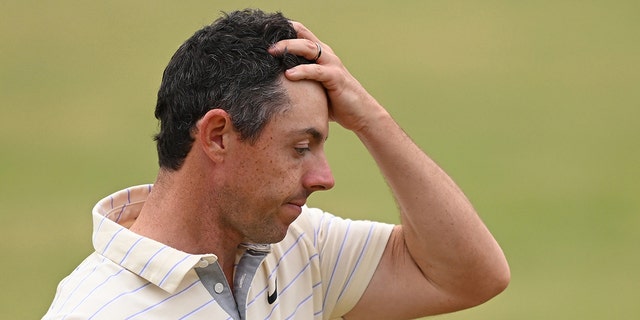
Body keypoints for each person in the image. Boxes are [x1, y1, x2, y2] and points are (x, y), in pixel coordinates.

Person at [43, 9, 509, 320]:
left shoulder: (300, 247)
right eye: (301, 147)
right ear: (218, 136)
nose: (323, 178)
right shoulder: (98, 311)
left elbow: (470, 275)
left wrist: (371, 119)